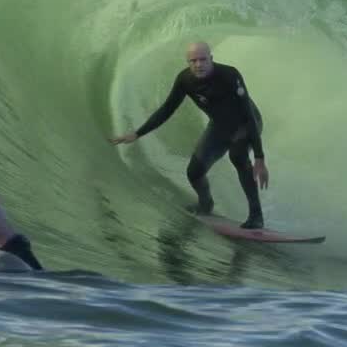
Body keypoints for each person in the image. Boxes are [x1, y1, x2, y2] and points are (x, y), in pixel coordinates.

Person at [110, 41, 270, 229]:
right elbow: (166, 110)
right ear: (188, 62)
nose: (198, 64)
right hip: (219, 126)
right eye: (193, 61)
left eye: (203, 59)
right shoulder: (185, 80)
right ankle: (206, 203)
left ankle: (256, 216)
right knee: (194, 172)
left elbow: (249, 115)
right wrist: (137, 133)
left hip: (246, 124)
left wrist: (259, 157)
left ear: (211, 59)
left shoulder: (229, 75)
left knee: (238, 156)